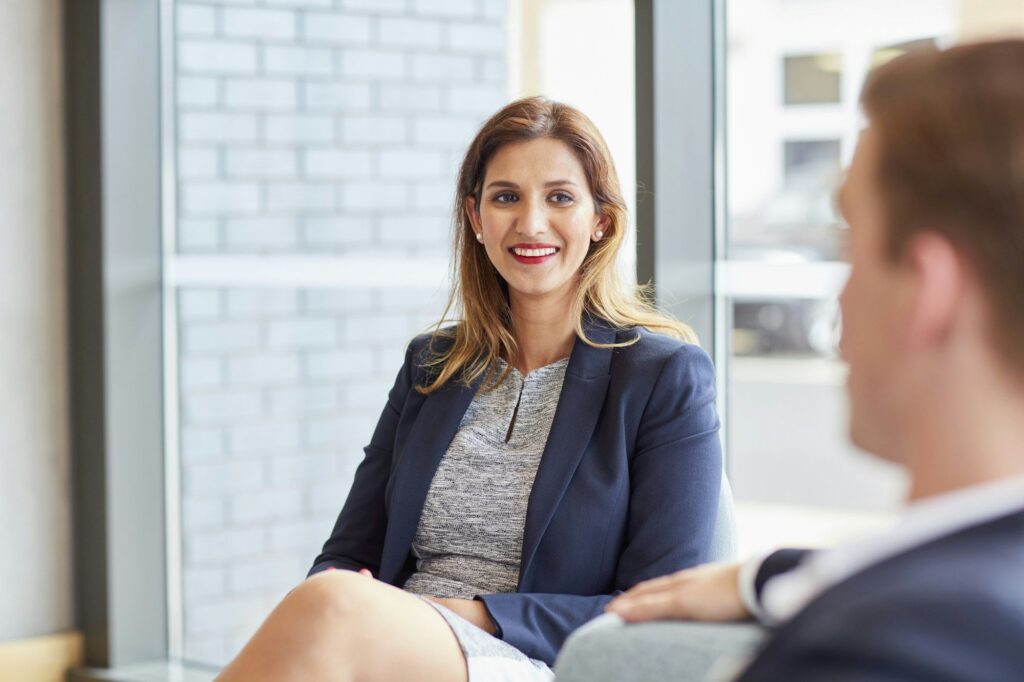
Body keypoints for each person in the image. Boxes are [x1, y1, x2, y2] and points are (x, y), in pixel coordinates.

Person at [217, 96, 723, 682]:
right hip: (391, 642)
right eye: (506, 197)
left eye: (560, 197)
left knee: (331, 606)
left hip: (538, 660)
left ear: (601, 219)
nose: (530, 223)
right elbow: (348, 553)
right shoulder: (431, 364)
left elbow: (660, 605)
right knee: (328, 599)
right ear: (475, 217)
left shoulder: (663, 376)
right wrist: (369, 606)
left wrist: (462, 614)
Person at [604, 39, 1024, 680]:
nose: (841, 299)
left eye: (849, 247)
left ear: (926, 289)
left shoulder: (881, 653)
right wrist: (770, 576)